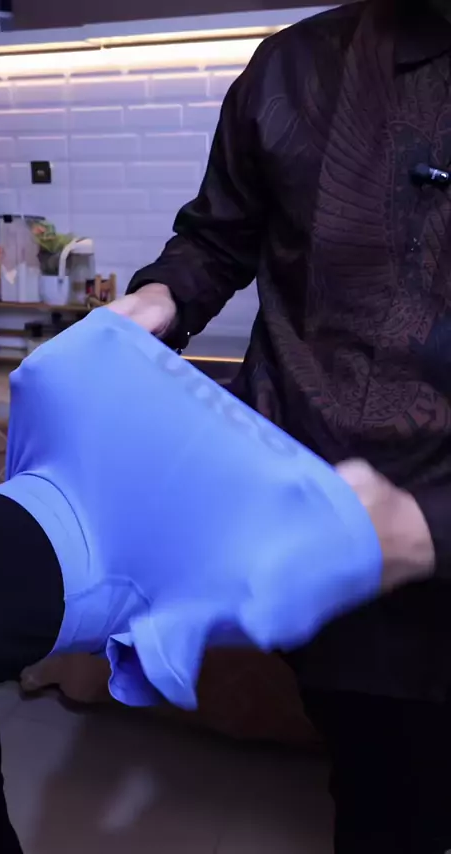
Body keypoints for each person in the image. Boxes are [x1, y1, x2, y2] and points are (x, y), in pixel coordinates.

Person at [113, 1, 451, 851]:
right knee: (378, 789)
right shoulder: (292, 66)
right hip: (316, 524)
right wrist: (157, 300)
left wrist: (431, 527)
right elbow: (215, 238)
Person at [0, 305, 385, 851]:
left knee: (386, 782)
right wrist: (165, 289)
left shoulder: (55, 374)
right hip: (88, 473)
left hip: (352, 512)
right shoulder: (55, 375)